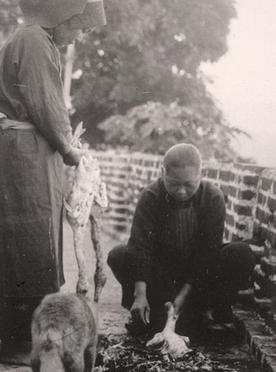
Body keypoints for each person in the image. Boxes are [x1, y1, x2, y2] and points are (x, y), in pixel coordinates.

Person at [0, 0, 107, 365]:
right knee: (29, 249)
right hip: (25, 156)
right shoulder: (35, 41)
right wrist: (69, 149)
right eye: (81, 28)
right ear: (65, 18)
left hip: (29, 153)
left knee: (30, 247)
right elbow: (47, 105)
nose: (79, 37)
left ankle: (21, 341)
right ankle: (20, 344)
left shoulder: (35, 39)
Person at [107, 143, 255, 336]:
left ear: (201, 174)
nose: (182, 191)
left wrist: (185, 294)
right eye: (175, 184)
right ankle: (145, 311)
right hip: (161, 276)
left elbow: (207, 254)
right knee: (118, 254)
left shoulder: (212, 198)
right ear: (162, 173)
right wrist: (140, 294)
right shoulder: (151, 196)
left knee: (241, 253)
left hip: (199, 280)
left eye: (189, 184)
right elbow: (140, 247)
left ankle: (210, 313)